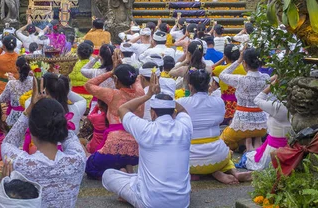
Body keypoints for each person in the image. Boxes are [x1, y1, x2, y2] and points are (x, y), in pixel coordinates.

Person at [102, 73, 192, 208]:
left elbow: (123, 109)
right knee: (139, 177)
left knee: (108, 175)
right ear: (173, 113)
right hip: (182, 202)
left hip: (150, 203)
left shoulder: (146, 129)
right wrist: (166, 98)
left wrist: (148, 95)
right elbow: (183, 110)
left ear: (153, 113)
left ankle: (132, 193)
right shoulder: (185, 128)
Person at [2, 81, 86, 208]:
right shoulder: (78, 159)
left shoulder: (21, 163)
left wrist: (29, 110)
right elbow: (69, 136)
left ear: (32, 131)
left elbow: (8, 142)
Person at [178, 69, 251, 184]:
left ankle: (214, 172)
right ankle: (232, 172)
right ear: (209, 85)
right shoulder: (218, 101)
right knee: (225, 153)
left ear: (190, 86)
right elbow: (221, 120)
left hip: (190, 162)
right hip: (218, 157)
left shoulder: (181, 102)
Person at [85, 57, 145, 179]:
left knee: (90, 167)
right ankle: (125, 170)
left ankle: (120, 172)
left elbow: (88, 84)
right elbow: (137, 79)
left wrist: (112, 71)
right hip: (135, 149)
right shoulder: (141, 93)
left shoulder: (113, 94)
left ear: (116, 79)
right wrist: (124, 70)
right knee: (120, 160)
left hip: (114, 144)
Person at [220, 48, 270, 151]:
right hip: (262, 125)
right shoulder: (266, 78)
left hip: (241, 123)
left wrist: (238, 61)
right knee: (252, 136)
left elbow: (222, 75)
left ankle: (245, 144)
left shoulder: (241, 80)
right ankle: (250, 145)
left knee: (222, 141)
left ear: (244, 63)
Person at [244, 75, 292, 171]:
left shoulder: (278, 107)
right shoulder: (298, 106)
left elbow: (257, 99)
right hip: (289, 149)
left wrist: (272, 85)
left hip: (274, 151)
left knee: (246, 157)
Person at [212, 44, 246, 125]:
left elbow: (209, 69)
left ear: (225, 56)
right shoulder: (245, 68)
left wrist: (222, 59)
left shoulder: (220, 69)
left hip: (225, 107)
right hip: (241, 105)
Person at [0, 56, 34, 126]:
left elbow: (2, 99)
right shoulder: (35, 81)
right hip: (30, 117)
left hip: (14, 118)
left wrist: (11, 84)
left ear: (17, 68)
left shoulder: (12, 83)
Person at [69, 42, 95, 106]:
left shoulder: (74, 65)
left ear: (78, 54)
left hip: (75, 100)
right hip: (92, 101)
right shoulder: (96, 64)